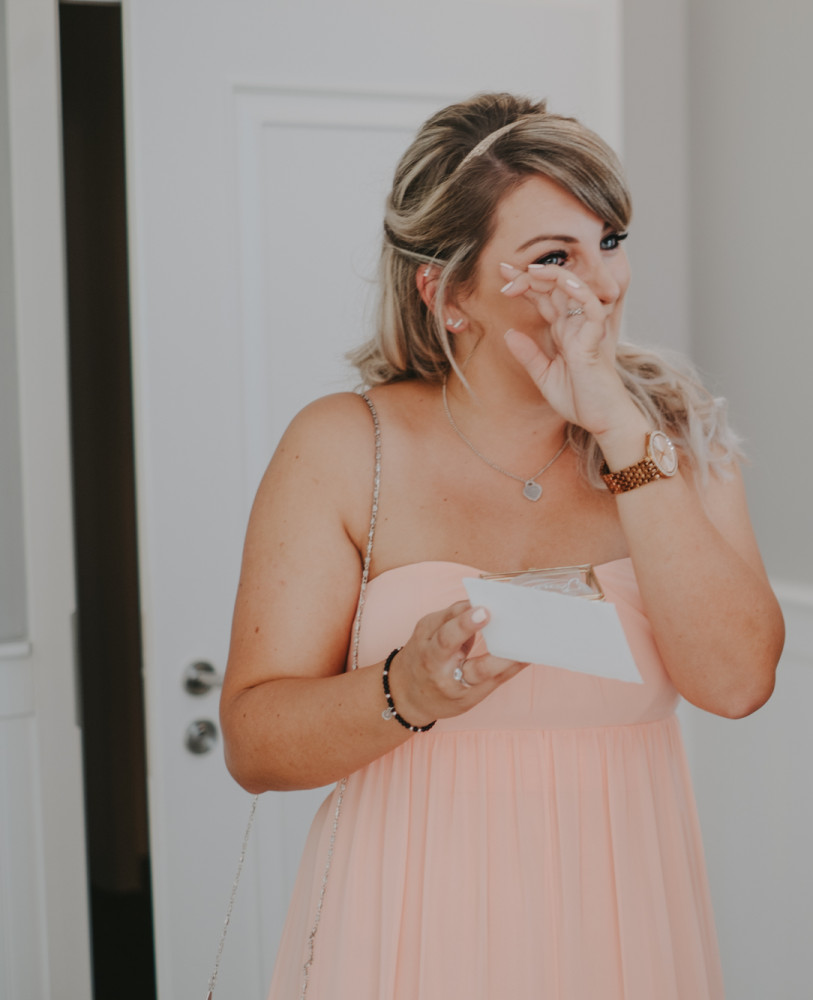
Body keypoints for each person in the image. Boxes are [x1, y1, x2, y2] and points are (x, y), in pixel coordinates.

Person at [218, 92, 784, 999]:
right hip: (403, 920)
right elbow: (253, 742)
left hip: (622, 923)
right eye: (551, 258)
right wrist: (409, 689)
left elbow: (738, 682)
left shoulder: (678, 436)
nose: (600, 287)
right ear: (446, 293)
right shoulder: (341, 446)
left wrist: (618, 427)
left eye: (609, 242)